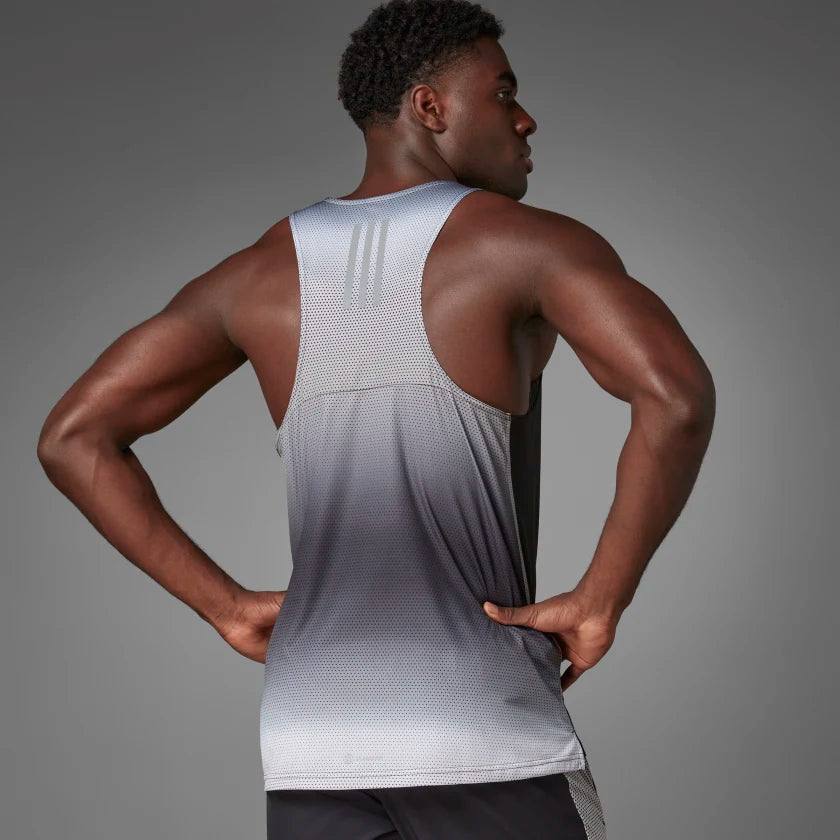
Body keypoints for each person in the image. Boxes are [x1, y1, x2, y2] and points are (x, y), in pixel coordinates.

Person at [36, 0, 716, 837]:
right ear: (429, 107)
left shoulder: (256, 273)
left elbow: (73, 437)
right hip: (480, 734)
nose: (525, 118)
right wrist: (603, 598)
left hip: (312, 747)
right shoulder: (531, 246)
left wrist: (226, 606)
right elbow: (676, 396)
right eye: (503, 93)